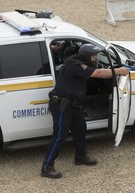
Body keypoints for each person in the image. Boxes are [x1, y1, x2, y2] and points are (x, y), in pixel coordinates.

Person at [41, 44, 130, 179]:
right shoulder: (75, 64)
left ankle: (80, 156)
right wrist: (119, 71)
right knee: (60, 135)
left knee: (80, 129)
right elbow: (97, 73)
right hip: (62, 105)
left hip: (73, 104)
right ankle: (47, 167)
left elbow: (95, 71)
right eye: (93, 56)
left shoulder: (81, 63)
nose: (95, 59)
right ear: (86, 56)